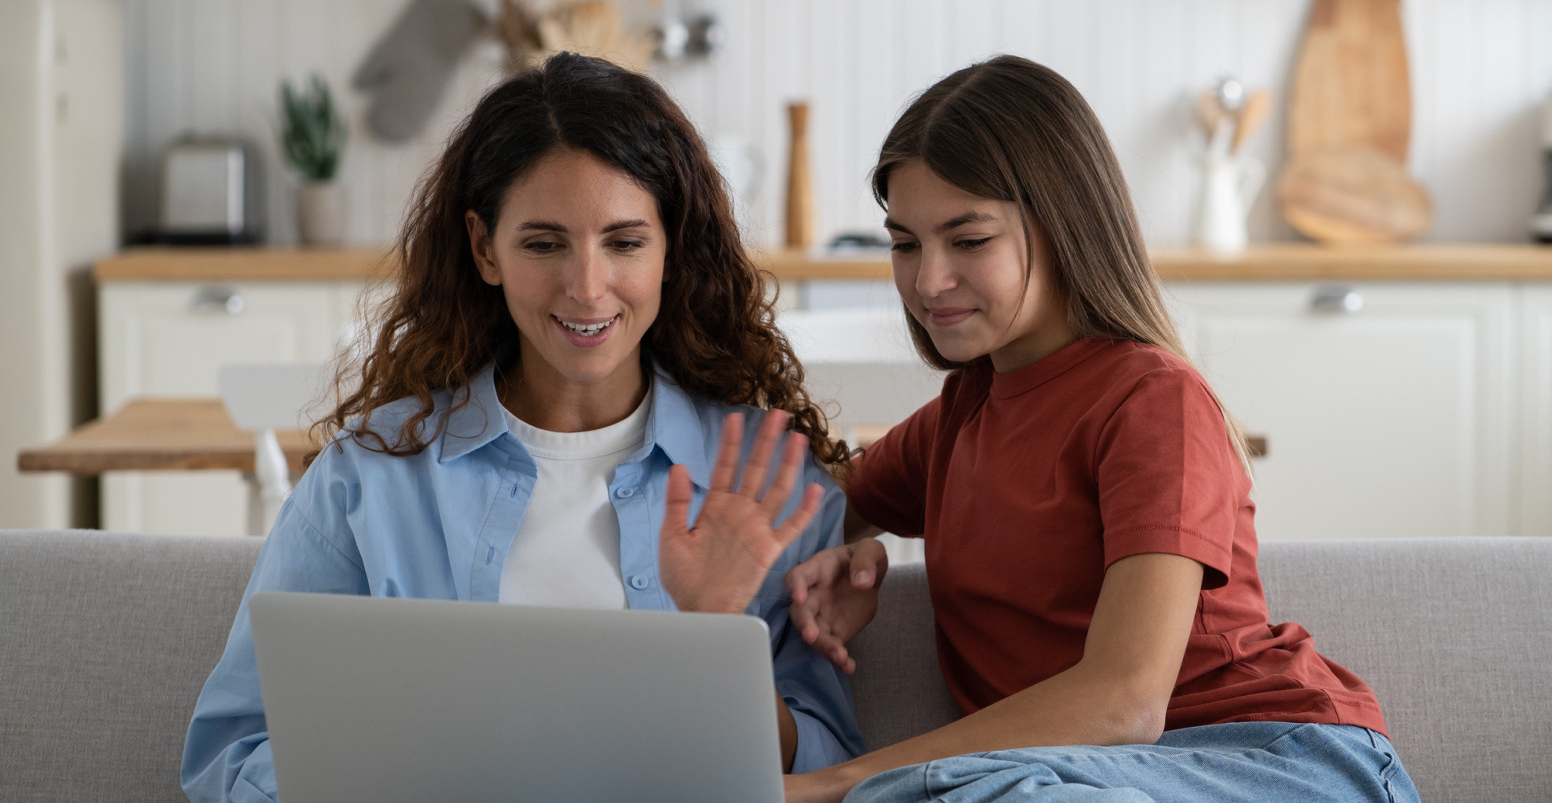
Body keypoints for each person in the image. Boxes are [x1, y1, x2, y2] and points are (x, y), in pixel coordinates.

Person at [180, 52, 864, 802]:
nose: (587, 286)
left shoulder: (767, 483)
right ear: (484, 249)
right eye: (544, 244)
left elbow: (831, 767)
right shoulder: (368, 478)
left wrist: (716, 637)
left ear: (672, 247)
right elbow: (234, 753)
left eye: (626, 242)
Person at [771, 55, 1423, 803]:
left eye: (969, 240)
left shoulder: (1154, 402)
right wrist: (847, 546)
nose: (927, 281)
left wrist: (841, 781)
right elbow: (806, 510)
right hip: (1067, 777)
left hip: (1272, 760)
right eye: (906, 243)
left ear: (1062, 225)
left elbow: (1125, 701)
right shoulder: (959, 419)